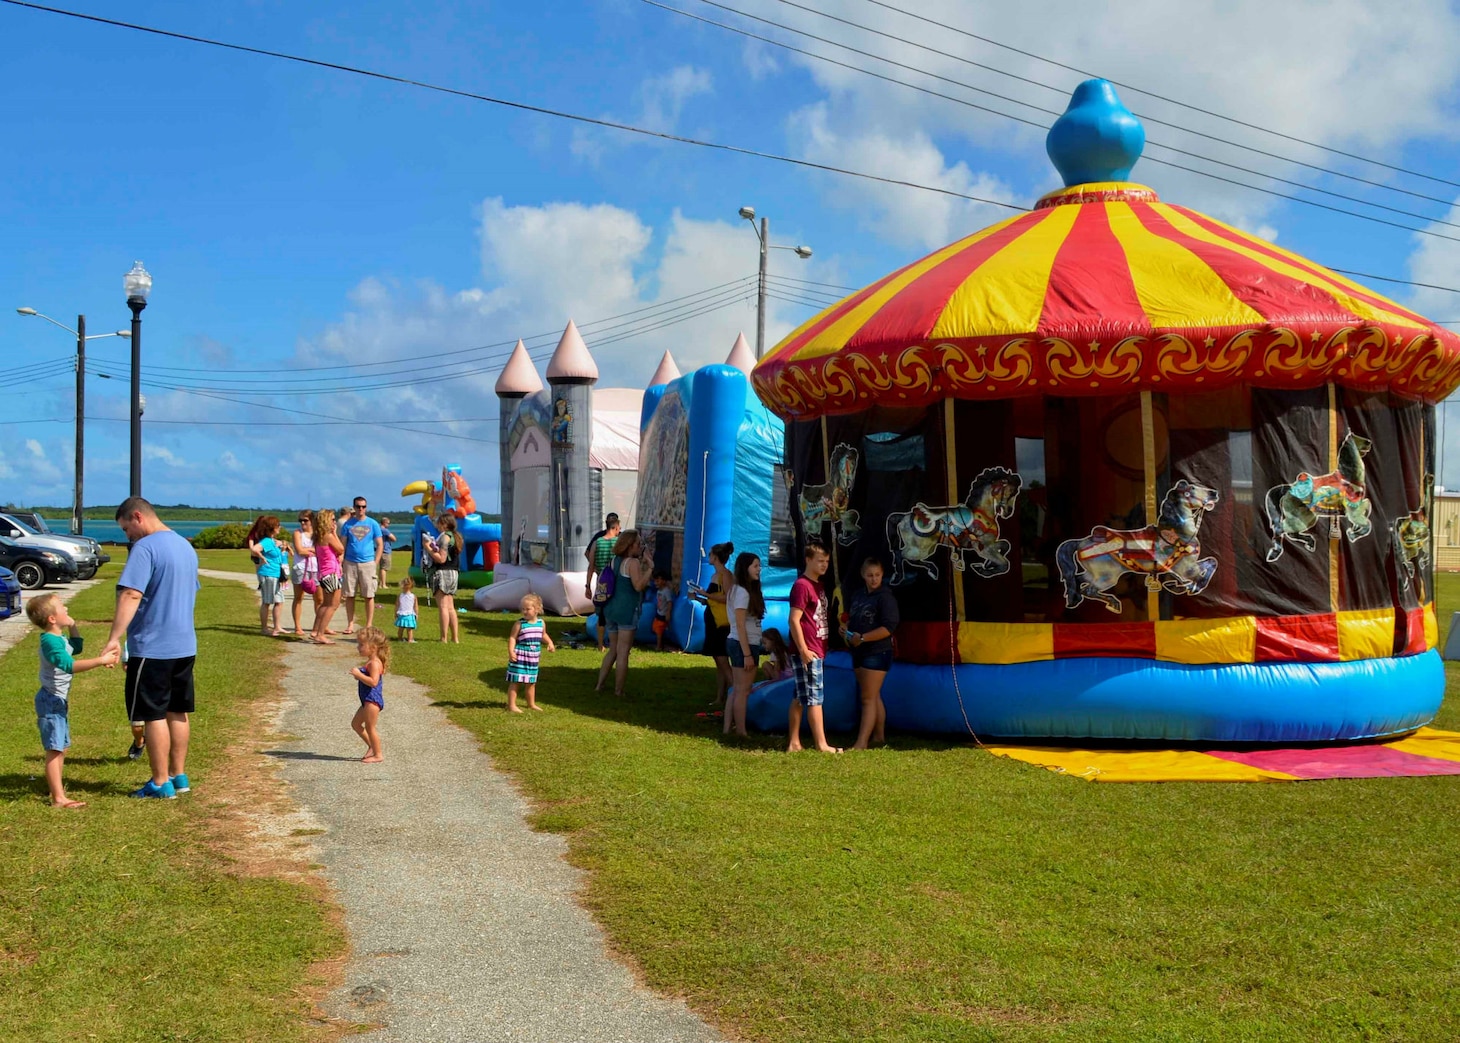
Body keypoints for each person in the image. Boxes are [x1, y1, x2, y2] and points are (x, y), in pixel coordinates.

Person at [103, 497, 202, 798]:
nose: (127, 536)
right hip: (184, 645)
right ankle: (178, 776)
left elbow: (132, 594)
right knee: (178, 711)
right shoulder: (186, 546)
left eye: (126, 529)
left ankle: (160, 782)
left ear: (138, 517)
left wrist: (113, 638)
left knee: (153, 714)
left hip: (153, 648)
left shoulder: (145, 548)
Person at [28, 593, 119, 808]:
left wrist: (72, 625)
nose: (67, 609)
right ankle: (58, 798)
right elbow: (69, 665)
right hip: (50, 700)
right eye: (62, 607)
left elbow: (76, 647)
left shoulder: (58, 638)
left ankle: (55, 787)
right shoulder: (50, 642)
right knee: (55, 749)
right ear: (52, 619)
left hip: (57, 700)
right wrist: (101, 661)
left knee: (61, 747)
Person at [787, 540, 839, 754]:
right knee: (815, 698)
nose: (824, 565)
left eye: (826, 561)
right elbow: (794, 620)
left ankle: (794, 742)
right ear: (808, 560)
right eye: (820, 561)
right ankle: (821, 744)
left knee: (800, 696)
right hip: (809, 651)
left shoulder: (818, 585)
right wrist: (803, 650)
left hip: (816, 647)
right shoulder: (802, 586)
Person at [845, 556, 900, 750]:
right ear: (863, 576)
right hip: (859, 650)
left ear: (882, 574)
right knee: (873, 695)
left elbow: (889, 627)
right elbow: (853, 619)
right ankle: (878, 736)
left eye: (877, 575)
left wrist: (863, 638)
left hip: (877, 651)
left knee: (867, 698)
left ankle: (861, 743)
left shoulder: (885, 597)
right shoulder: (859, 595)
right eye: (870, 575)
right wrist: (846, 630)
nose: (874, 579)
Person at [595, 529, 652, 697]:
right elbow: (638, 586)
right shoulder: (632, 563)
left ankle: (599, 685)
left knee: (613, 650)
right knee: (623, 652)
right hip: (627, 610)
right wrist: (650, 569)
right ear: (630, 545)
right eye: (638, 543)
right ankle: (618, 690)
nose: (640, 546)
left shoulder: (614, 561)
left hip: (611, 609)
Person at [725, 552, 766, 738]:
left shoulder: (739, 590)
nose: (759, 570)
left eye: (759, 566)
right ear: (745, 568)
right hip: (744, 643)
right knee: (743, 690)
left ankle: (728, 727)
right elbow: (740, 624)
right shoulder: (741, 592)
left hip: (741, 642)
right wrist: (747, 653)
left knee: (736, 688)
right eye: (755, 566)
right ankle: (741, 731)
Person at [694, 542, 735, 708]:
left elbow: (728, 598)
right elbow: (713, 600)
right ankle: (720, 697)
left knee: (723, 660)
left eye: (710, 554)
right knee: (718, 661)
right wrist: (698, 598)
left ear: (716, 557)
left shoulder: (725, 575)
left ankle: (736, 695)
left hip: (721, 623)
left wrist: (705, 593)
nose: (708, 557)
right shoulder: (714, 576)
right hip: (712, 619)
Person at [340, 496, 383, 634]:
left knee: (369, 595)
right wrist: (341, 562)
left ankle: (369, 624)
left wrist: (375, 562)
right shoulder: (348, 524)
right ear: (354, 507)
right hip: (350, 563)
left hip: (367, 563)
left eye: (363, 506)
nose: (361, 509)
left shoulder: (373, 524)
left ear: (366, 507)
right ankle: (350, 624)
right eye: (358, 506)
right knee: (349, 595)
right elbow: (343, 545)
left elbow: (380, 544)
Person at [506, 593, 555, 712]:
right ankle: (511, 705)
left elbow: (543, 634)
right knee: (516, 680)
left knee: (531, 682)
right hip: (520, 656)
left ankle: (531, 704)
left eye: (528, 609)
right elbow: (512, 638)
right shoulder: (520, 624)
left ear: (537, 609)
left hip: (533, 658)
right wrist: (511, 651)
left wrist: (550, 643)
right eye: (523, 609)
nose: (525, 611)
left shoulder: (541, 623)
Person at [349, 626, 389, 763]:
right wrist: (359, 676)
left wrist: (358, 674)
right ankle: (372, 746)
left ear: (372, 647)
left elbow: (373, 682)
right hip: (366, 700)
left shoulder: (374, 663)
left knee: (370, 727)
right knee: (356, 724)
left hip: (372, 701)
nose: (358, 647)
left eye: (361, 645)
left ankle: (378, 754)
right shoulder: (371, 662)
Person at [584, 513, 621, 652]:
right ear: (616, 527)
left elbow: (590, 565)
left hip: (602, 583)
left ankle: (600, 644)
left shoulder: (597, 542)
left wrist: (587, 586)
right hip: (616, 582)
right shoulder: (619, 543)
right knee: (617, 614)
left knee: (602, 615)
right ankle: (616, 644)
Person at [247, 515, 288, 636]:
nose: (279, 527)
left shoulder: (271, 541)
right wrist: (262, 557)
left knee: (279, 601)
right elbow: (254, 549)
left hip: (275, 574)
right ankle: (264, 628)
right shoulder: (266, 541)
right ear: (272, 528)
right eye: (278, 525)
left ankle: (277, 627)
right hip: (268, 574)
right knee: (267, 601)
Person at [311, 509, 345, 645]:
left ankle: (315, 630)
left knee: (325, 604)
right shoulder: (328, 536)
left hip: (324, 573)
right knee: (333, 605)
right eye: (332, 519)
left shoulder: (318, 536)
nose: (334, 522)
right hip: (331, 573)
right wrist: (335, 533)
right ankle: (320, 634)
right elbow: (341, 549)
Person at [426, 513, 461, 643]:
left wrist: (428, 548)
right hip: (454, 573)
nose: (437, 526)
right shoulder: (456, 537)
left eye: (439, 523)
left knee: (443, 607)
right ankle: (455, 638)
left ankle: (443, 637)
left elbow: (441, 559)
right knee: (451, 607)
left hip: (443, 573)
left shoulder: (445, 538)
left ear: (445, 524)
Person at [290, 511, 318, 636]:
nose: (302, 523)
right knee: (298, 597)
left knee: (319, 599)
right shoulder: (297, 533)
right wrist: (312, 550)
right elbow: (300, 550)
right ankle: (297, 626)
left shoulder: (317, 534)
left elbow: (322, 550)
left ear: (312, 521)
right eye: (300, 520)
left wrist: (310, 550)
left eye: (305, 520)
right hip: (300, 568)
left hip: (316, 568)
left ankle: (319, 626)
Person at [652, 569, 674, 651]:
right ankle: (661, 644)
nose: (655, 583)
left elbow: (669, 602)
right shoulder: (659, 591)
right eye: (655, 581)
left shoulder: (666, 591)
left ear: (664, 581)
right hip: (659, 613)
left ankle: (659, 646)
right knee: (656, 628)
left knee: (659, 631)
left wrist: (668, 612)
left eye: (658, 581)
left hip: (663, 614)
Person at [394, 576, 418, 643]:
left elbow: (397, 605)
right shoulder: (413, 596)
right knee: (409, 629)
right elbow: (415, 607)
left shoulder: (400, 596)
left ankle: (400, 639)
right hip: (410, 614)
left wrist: (395, 613)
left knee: (401, 628)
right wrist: (416, 614)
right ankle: (410, 639)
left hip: (401, 614)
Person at [378, 516, 397, 590]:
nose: (389, 525)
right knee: (384, 568)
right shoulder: (385, 530)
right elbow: (394, 538)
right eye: (388, 523)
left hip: (380, 550)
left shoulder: (378, 529)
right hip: (385, 550)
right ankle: (383, 584)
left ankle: (380, 583)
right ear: (385, 523)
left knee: (381, 567)